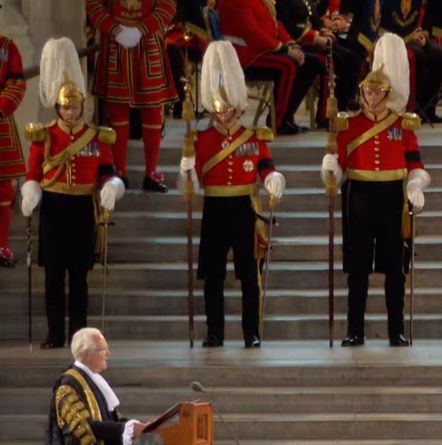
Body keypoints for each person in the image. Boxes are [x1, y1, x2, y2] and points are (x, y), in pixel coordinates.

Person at [321, 33, 431, 346]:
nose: (371, 98)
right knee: (358, 272)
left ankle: (396, 330)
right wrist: (330, 168)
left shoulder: (403, 125)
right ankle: (354, 330)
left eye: (377, 92)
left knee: (395, 271)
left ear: (386, 94)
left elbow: (416, 164)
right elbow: (339, 169)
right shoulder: (348, 125)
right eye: (367, 91)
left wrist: (416, 185)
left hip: (391, 200)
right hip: (359, 199)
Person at [179, 40, 287, 349]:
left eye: (230, 109)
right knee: (213, 277)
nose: (225, 114)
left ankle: (251, 332)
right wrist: (187, 170)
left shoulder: (253, 136)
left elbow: (265, 166)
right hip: (214, 208)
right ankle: (215, 333)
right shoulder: (200, 139)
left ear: (239, 107)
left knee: (249, 277)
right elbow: (192, 182)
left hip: (244, 208)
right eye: (220, 108)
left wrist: (273, 179)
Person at [20, 38, 125, 350]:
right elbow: (34, 172)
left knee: (79, 277)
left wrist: (111, 187)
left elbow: (107, 171)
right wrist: (31, 192)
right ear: (58, 107)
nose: (70, 111)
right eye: (65, 107)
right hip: (53, 207)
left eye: (75, 106)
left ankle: (80, 335)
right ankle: (55, 334)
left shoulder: (97, 136)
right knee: (53, 277)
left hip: (81, 208)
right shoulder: (44, 135)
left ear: (83, 105)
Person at [86, 0, 178, 192]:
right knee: (117, 111)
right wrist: (114, 29)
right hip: (115, 43)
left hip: (149, 43)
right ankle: (119, 172)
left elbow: (168, 4)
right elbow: (94, 4)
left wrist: (142, 29)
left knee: (153, 110)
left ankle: (151, 173)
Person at [219, 0, 321, 135]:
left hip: (262, 49)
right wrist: (283, 48)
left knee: (311, 62)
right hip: (245, 55)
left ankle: (287, 115)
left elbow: (275, 25)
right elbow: (252, 32)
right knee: (288, 66)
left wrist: (290, 44)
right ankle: (277, 121)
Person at [378, 0, 442, 123]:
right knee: (418, 56)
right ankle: (414, 108)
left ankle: (429, 108)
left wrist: (422, 34)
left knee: (440, 55)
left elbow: (426, 15)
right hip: (393, 37)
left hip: (415, 33)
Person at [0, 34, 26, 267]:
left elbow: (16, 81)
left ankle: (1, 245)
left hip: (0, 125)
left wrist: (0, 108)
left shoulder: (7, 47)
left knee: (3, 191)